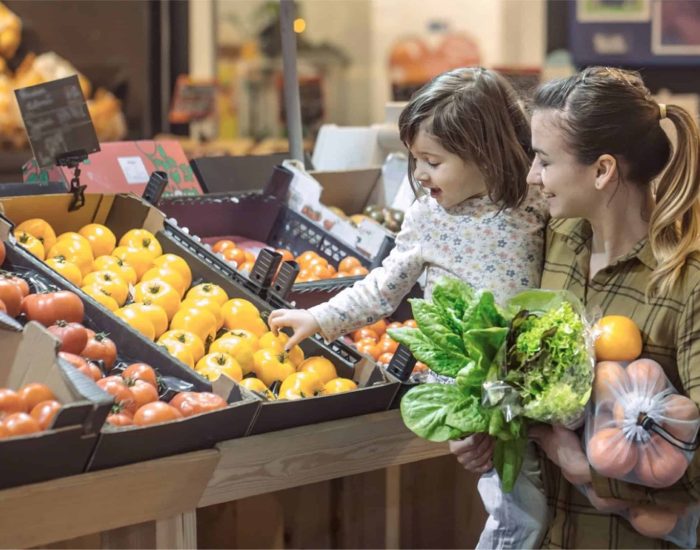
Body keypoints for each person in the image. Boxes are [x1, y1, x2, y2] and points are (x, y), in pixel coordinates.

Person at [269, 67, 549, 549]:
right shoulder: (428, 219)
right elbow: (382, 288)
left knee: (538, 501)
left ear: (484, 152)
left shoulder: (534, 201)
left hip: (531, 378)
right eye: (414, 159)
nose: (418, 174)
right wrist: (319, 318)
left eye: (431, 161)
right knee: (519, 511)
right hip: (470, 385)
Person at [450, 65, 700, 548]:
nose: (532, 176)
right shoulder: (554, 240)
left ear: (603, 170)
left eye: (543, 160)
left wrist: (591, 471)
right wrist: (491, 427)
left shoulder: (684, 282)